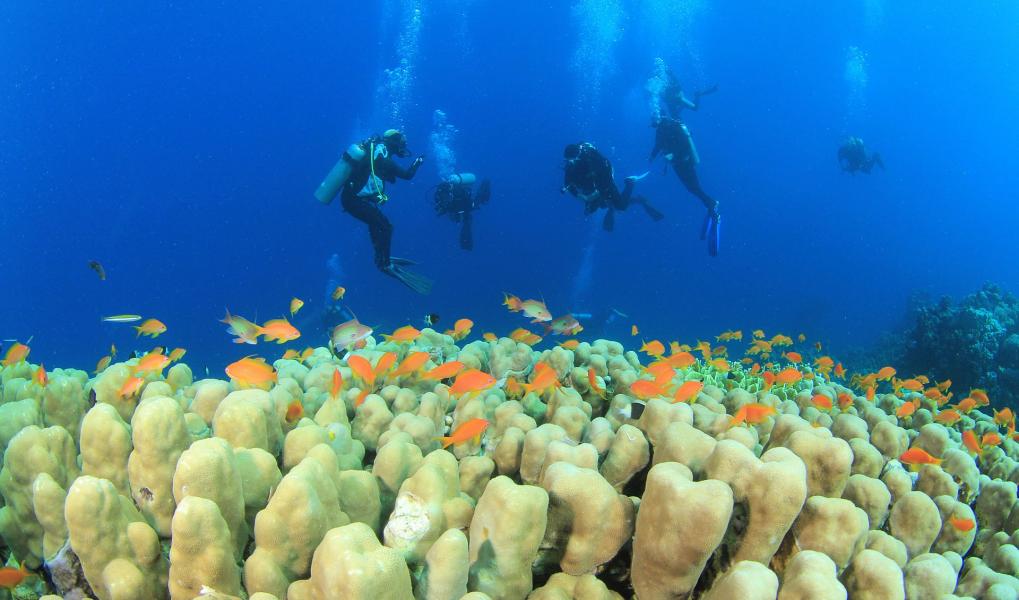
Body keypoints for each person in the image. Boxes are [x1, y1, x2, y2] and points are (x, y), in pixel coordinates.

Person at [335, 129, 433, 294]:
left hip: (352, 199)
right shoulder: (383, 158)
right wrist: (418, 161)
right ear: (394, 143)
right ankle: (384, 263)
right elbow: (407, 175)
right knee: (387, 227)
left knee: (375, 222)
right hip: (354, 201)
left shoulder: (377, 152)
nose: (403, 147)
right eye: (401, 143)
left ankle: (380, 256)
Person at [649, 116, 720, 256]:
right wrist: (651, 156)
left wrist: (672, 154)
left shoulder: (672, 127)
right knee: (691, 189)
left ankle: (712, 206)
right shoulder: (660, 130)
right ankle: (710, 204)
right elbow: (658, 145)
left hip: (685, 162)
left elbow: (683, 144)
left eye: (654, 119)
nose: (652, 123)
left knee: (694, 187)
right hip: (677, 164)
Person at [561, 142, 664, 232]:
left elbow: (605, 176)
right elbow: (567, 184)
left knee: (621, 207)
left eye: (572, 160)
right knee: (596, 208)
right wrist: (581, 196)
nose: (571, 162)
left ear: (578, 155)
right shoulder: (571, 165)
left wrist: (597, 193)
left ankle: (630, 182)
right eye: (568, 160)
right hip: (591, 186)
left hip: (605, 181)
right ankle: (626, 202)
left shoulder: (591, 159)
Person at [432, 173, 490, 250]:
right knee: (466, 219)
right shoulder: (440, 195)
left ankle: (485, 184)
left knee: (478, 202)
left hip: (466, 204)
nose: (444, 199)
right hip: (459, 206)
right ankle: (466, 242)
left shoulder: (457, 193)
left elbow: (466, 203)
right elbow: (442, 205)